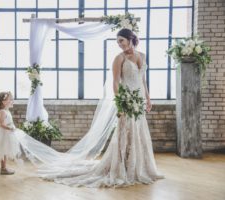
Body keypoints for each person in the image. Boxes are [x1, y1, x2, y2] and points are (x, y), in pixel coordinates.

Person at [35, 28, 164, 187]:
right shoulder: (119, 58)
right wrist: (120, 103)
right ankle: (122, 166)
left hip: (139, 101)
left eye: (121, 41)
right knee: (125, 133)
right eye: (117, 42)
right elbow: (115, 83)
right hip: (126, 101)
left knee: (139, 132)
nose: (119, 44)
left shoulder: (142, 56)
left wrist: (148, 98)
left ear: (130, 39)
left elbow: (142, 80)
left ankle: (139, 166)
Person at [0, 91, 22, 175]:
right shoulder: (2, 112)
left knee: (5, 150)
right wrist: (9, 128)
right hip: (4, 134)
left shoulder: (6, 111)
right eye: (10, 99)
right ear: (3, 101)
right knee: (3, 150)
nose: (12, 101)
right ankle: (3, 168)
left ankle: (4, 167)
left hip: (7, 133)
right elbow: (0, 124)